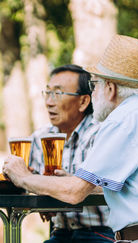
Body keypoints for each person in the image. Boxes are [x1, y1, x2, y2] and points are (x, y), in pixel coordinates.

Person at [3, 34, 138, 243]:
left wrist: (22, 177)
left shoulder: (122, 120)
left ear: (111, 89)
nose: (93, 92)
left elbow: (74, 193)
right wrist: (69, 180)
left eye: (95, 84)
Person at [29, 64, 114, 243]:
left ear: (83, 102)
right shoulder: (40, 138)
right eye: (48, 92)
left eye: (58, 93)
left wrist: (73, 185)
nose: (49, 102)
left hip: (101, 233)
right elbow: (29, 180)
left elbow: (112, 187)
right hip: (61, 234)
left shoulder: (100, 134)